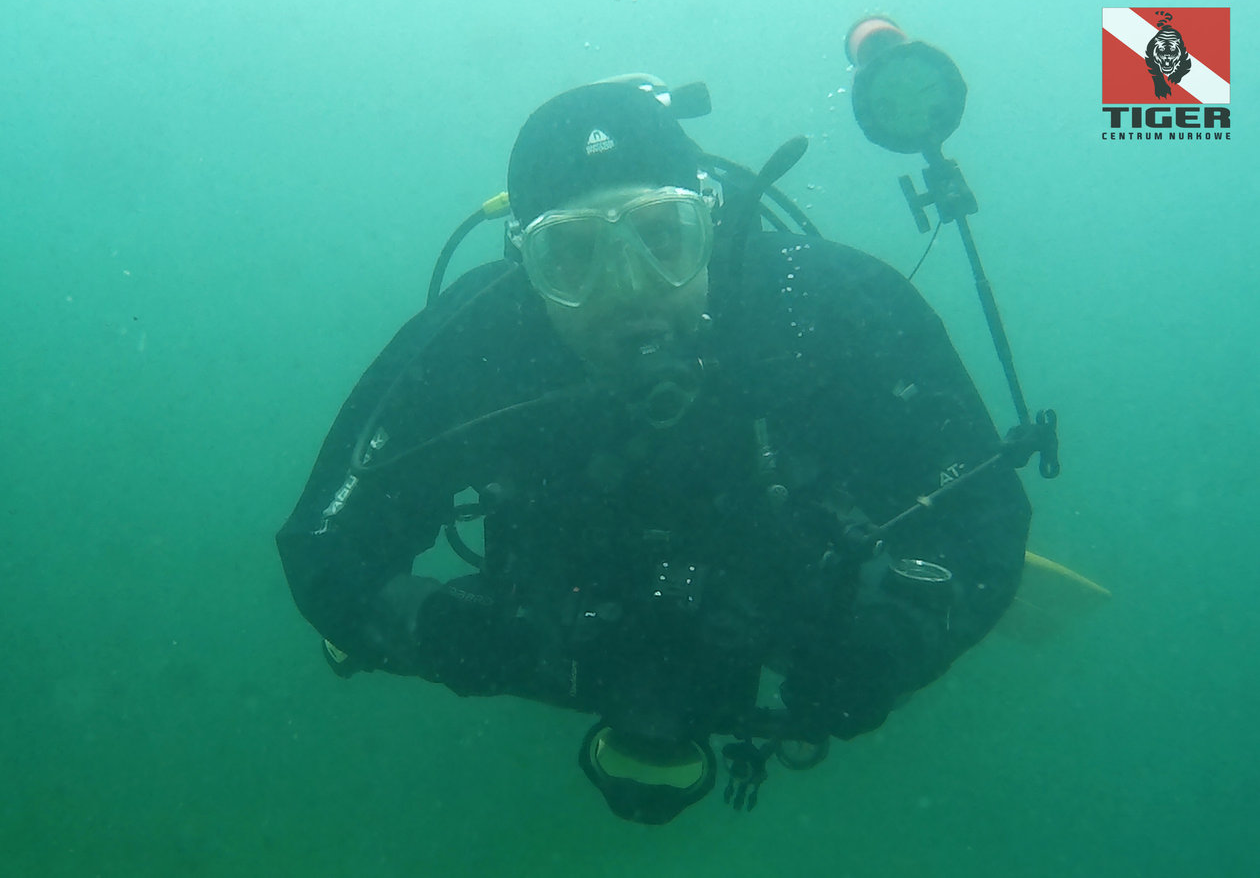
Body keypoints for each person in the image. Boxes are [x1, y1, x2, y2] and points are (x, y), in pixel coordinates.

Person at [276, 78, 1031, 824]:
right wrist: (444, 631)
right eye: (571, 253)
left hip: (795, 596)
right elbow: (323, 544)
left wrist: (899, 634)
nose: (628, 286)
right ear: (525, 267)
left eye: (663, 235)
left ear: (713, 224)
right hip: (551, 613)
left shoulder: (826, 304)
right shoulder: (480, 339)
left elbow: (982, 506)